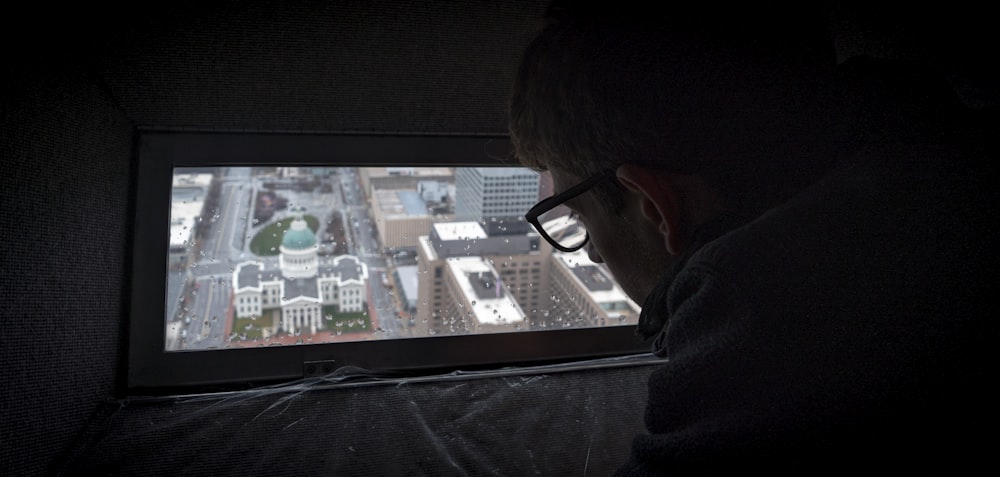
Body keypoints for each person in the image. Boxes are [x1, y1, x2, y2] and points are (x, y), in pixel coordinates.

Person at [511, 2, 995, 474]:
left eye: (580, 217)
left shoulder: (751, 310)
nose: (592, 250)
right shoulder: (947, 165)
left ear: (654, 205)